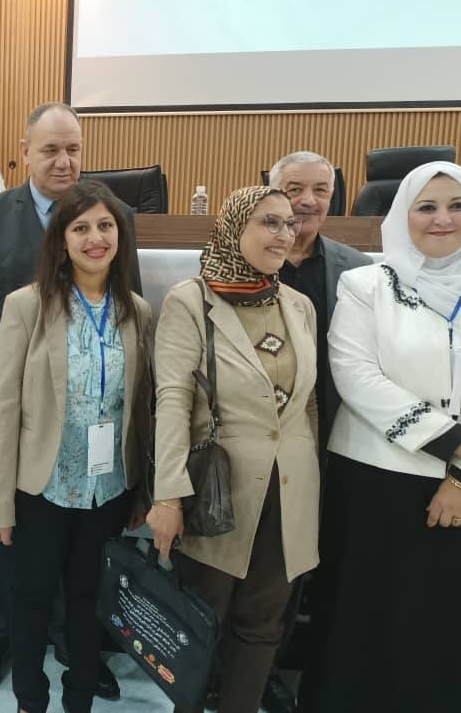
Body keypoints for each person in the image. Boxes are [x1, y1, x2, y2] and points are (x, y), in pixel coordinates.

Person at [0, 101, 141, 698]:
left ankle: (74, 647)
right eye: (50, 150)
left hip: (95, 441)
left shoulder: (117, 217)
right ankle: (0, 639)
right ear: (26, 152)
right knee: (12, 544)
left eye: (73, 149)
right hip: (16, 412)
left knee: (82, 564)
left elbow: (128, 316)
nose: (63, 161)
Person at [313, 161, 461, 713]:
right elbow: (357, 377)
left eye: (457, 206)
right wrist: (460, 443)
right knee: (370, 626)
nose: (442, 219)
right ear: (401, 216)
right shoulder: (366, 284)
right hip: (378, 483)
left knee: (453, 625)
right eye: (426, 207)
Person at [0, 180, 154, 713]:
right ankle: (30, 700)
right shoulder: (27, 306)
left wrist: (142, 492)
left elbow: (142, 410)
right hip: (43, 486)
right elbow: (4, 407)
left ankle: (79, 700)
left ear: (120, 236)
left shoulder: (137, 312)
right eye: (81, 228)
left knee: (87, 601)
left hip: (107, 488)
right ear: (61, 239)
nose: (95, 238)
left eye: (105, 226)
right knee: (31, 600)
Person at [148, 186, 320, 713]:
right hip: (217, 494)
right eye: (269, 222)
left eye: (289, 223)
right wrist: (168, 496)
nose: (284, 234)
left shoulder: (299, 305)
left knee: (263, 625)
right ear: (233, 228)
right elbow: (172, 399)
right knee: (199, 625)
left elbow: (309, 406)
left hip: (289, 494)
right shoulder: (191, 300)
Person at [265, 151, 369, 712]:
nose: (307, 201)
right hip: (254, 444)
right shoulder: (243, 257)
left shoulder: (358, 270)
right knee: (256, 565)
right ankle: (234, 666)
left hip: (330, 443)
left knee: (309, 561)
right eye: (294, 188)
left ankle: (284, 666)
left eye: (321, 190)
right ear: (271, 191)